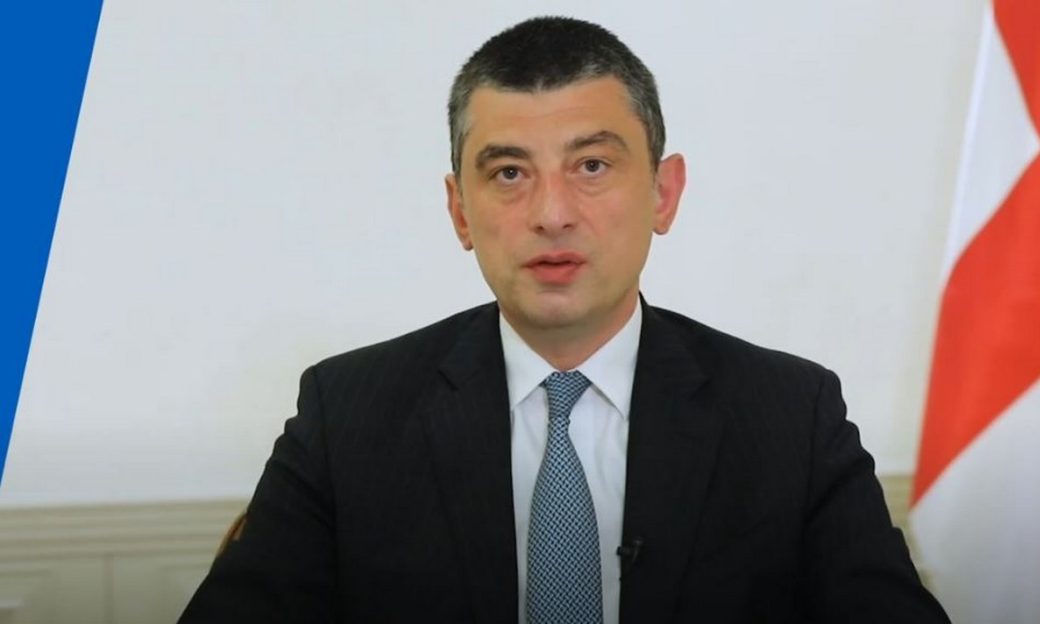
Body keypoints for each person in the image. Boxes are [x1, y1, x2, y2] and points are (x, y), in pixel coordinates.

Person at [181, 16, 949, 624]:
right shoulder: (346, 415)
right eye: (509, 172)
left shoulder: (790, 416)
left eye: (592, 166)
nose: (551, 213)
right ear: (459, 211)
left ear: (664, 194)